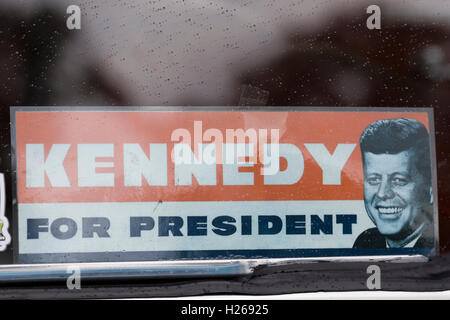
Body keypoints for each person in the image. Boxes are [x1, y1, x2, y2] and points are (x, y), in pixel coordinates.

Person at [353, 118, 435, 249]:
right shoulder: (366, 242)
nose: (382, 193)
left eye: (398, 180)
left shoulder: (440, 246)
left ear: (431, 189)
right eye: (374, 179)